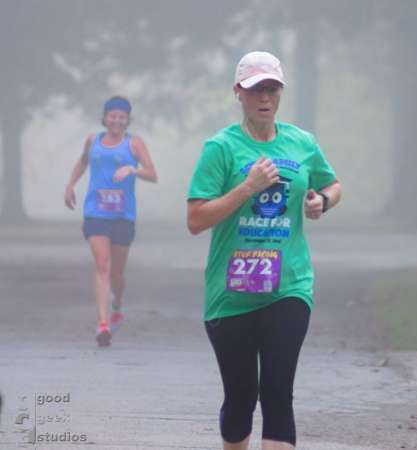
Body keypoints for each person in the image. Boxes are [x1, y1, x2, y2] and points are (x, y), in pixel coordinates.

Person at [187, 51, 341, 449]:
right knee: (240, 401)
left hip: (288, 287)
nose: (264, 98)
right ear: (238, 92)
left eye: (271, 89)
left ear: (280, 93)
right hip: (230, 295)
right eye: (255, 90)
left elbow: (332, 185)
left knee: (277, 393)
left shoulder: (302, 143)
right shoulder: (220, 148)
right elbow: (196, 220)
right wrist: (247, 187)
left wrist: (320, 202)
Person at [64, 96, 158, 347]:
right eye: (112, 115)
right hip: (96, 212)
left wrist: (132, 170)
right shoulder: (92, 141)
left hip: (123, 215)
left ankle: (117, 303)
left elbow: (153, 174)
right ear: (105, 118)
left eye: (122, 117)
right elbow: (83, 161)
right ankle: (103, 325)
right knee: (102, 265)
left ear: (127, 120)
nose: (116, 120)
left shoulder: (134, 144)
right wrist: (70, 184)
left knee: (117, 272)